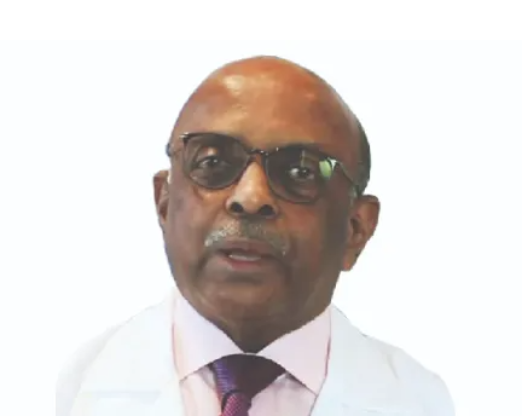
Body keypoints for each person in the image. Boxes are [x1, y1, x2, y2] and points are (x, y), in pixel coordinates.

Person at [56, 56, 454, 416]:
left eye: (300, 172)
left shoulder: (423, 402)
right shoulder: (70, 387)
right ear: (164, 203)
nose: (250, 197)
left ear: (356, 229)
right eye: (213, 162)